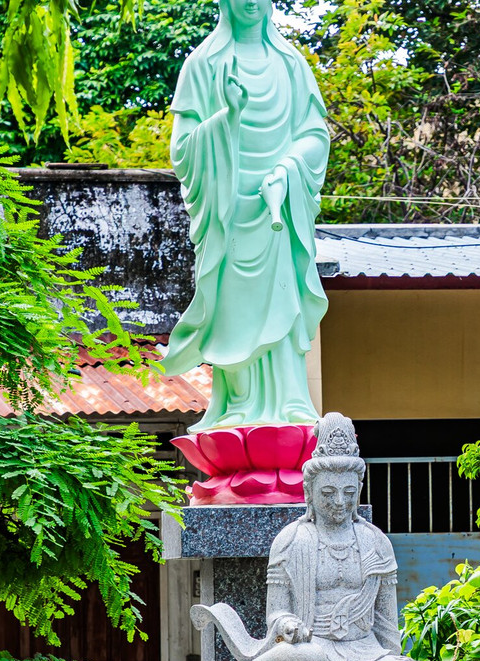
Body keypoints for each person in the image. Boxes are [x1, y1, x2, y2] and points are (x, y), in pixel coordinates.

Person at [186, 413, 444, 661]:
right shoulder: (292, 540)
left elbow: (388, 627)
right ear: (309, 492)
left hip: (369, 655)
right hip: (312, 651)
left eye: (348, 493)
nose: (339, 502)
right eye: (328, 493)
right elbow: (276, 615)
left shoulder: (376, 542)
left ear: (358, 490)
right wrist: (286, 625)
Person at [161, 0, 329, 431]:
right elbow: (181, 150)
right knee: (236, 310)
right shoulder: (203, 63)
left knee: (281, 300)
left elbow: (314, 136)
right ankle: (237, 407)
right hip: (229, 211)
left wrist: (286, 171)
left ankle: (290, 400)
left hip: (279, 206)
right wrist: (228, 117)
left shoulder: (292, 65)